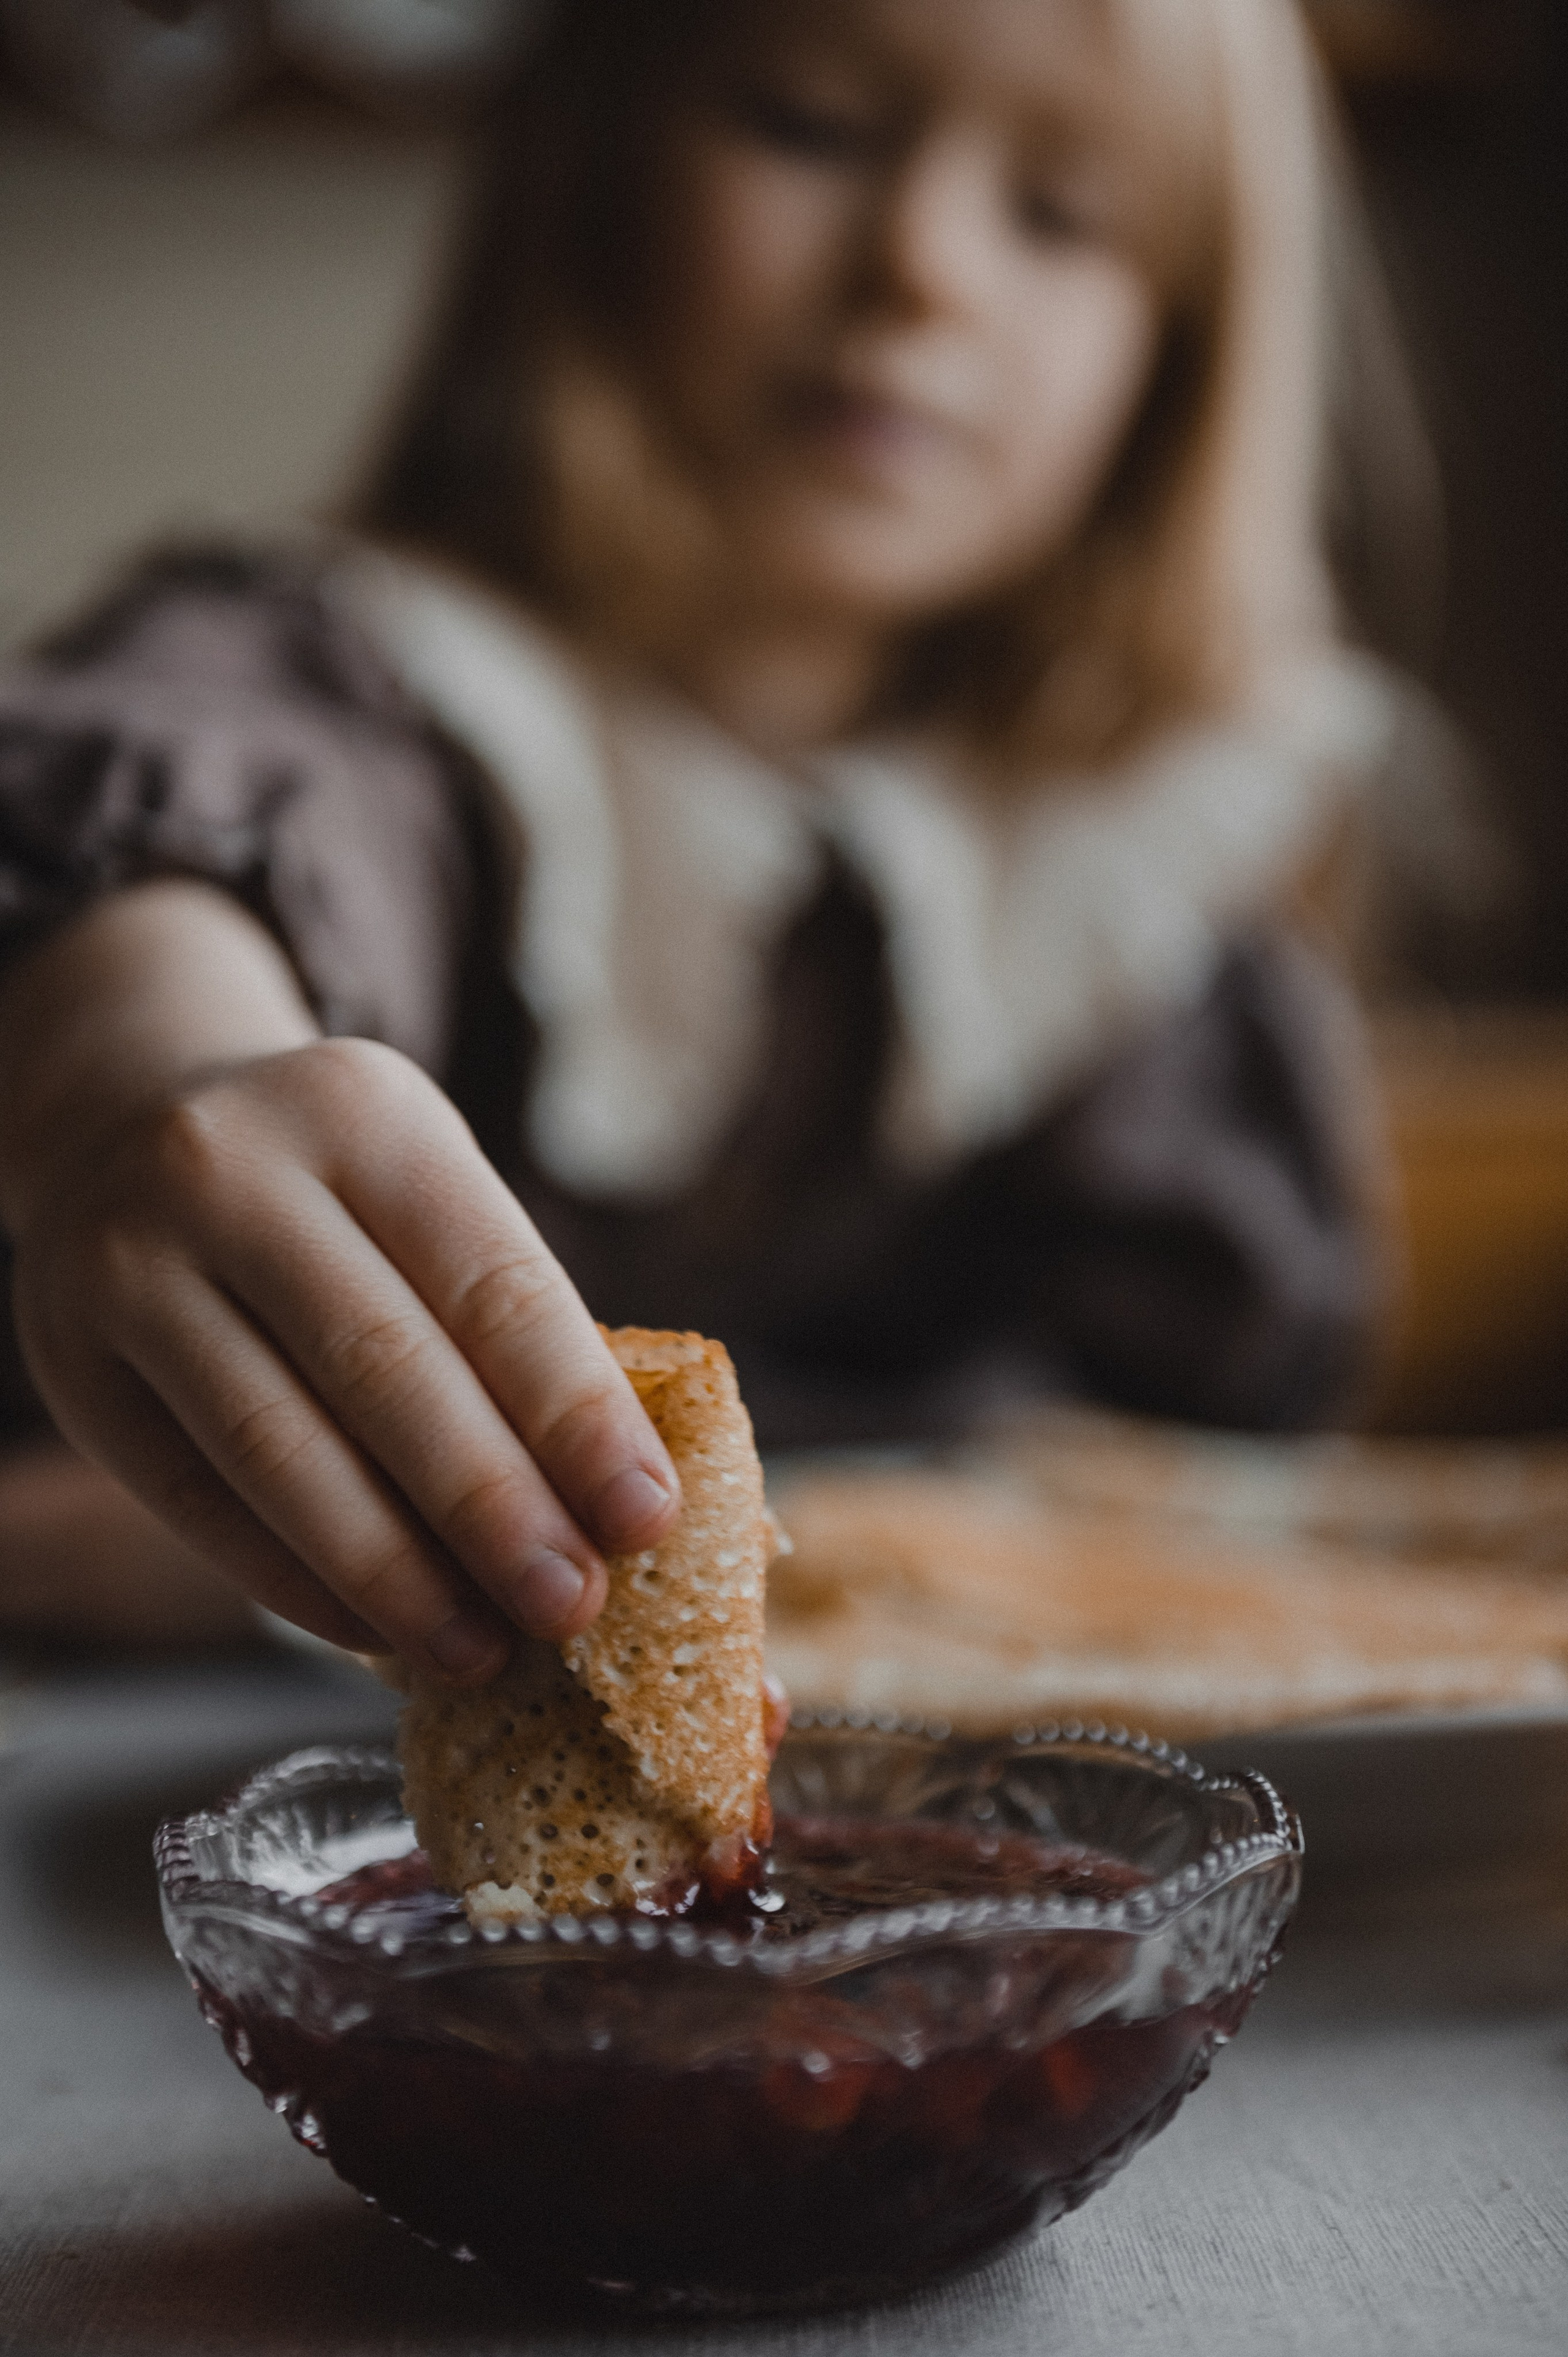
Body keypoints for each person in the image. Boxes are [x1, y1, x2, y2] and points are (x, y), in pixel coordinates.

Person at [0, 0, 1408, 1666]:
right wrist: (147, 1069)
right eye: (811, 124)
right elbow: (183, 820)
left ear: (1180, 348)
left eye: (1063, 217)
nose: (925, 268)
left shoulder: (1124, 878)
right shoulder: (372, 685)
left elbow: (1160, 1458)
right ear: (591, 160)